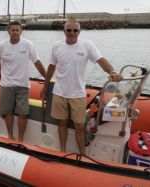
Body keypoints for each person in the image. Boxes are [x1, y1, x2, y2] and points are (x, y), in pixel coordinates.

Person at [41, 19, 123, 154]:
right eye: (69, 30)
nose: (72, 33)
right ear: (64, 31)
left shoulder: (87, 45)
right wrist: (45, 86)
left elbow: (101, 61)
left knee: (79, 126)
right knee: (62, 124)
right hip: (59, 92)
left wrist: (112, 72)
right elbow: (51, 67)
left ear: (79, 31)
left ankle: (82, 154)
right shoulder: (56, 46)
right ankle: (62, 151)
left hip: (78, 93)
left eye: (75, 30)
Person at [0, 21, 46, 142]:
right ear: (8, 31)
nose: (15, 32)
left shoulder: (28, 45)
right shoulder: (1, 46)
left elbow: (37, 62)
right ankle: (11, 137)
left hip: (23, 85)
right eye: (13, 30)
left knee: (23, 113)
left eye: (17, 30)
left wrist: (47, 78)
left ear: (21, 31)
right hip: (6, 84)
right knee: (7, 112)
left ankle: (20, 139)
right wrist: (1, 77)